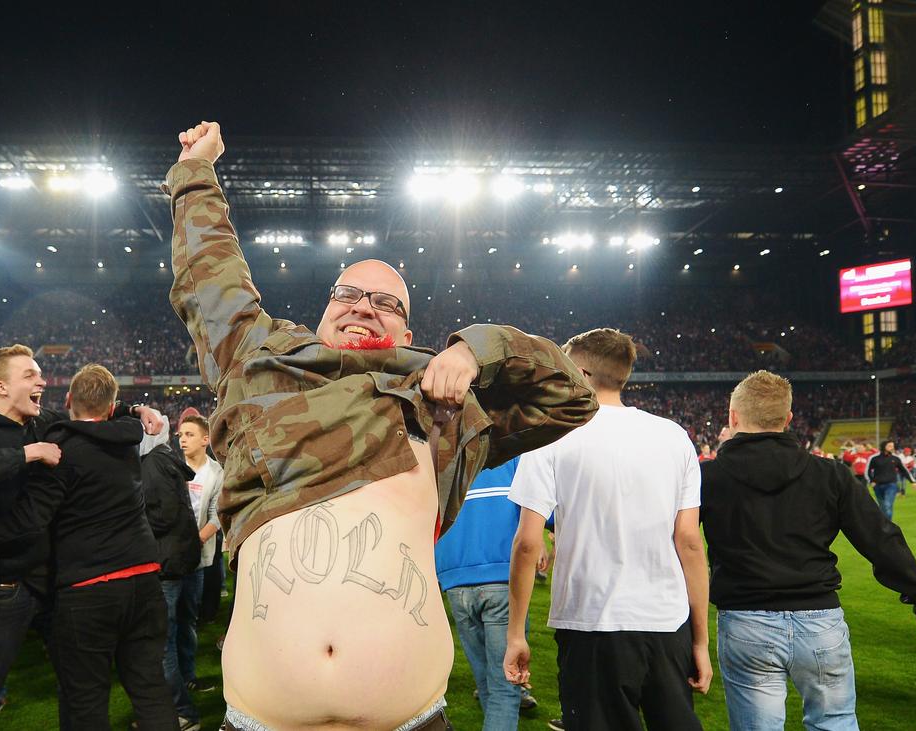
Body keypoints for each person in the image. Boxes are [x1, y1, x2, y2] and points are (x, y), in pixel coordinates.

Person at [167, 121, 596, 730]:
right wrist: (196, 171)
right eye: (349, 294)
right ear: (324, 311)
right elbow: (209, 277)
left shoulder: (447, 404)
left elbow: (573, 397)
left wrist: (479, 348)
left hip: (411, 720)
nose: (365, 307)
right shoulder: (259, 359)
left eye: (388, 303)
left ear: (408, 334)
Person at [0, 345, 160, 727]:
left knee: (75, 685)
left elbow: (88, 411)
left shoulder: (42, 420)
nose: (42, 381)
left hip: (53, 581)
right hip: (5, 586)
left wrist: (135, 410)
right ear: (1, 386)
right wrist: (27, 453)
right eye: (31, 375)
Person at [700, 371, 916, 729]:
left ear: (733, 417)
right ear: (787, 419)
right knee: (834, 723)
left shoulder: (708, 477)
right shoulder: (829, 474)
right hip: (819, 620)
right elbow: (880, 539)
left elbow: (681, 544)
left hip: (746, 621)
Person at [504, 328, 711, 731]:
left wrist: (515, 634)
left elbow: (528, 544)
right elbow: (689, 542)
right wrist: (699, 642)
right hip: (666, 623)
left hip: (592, 623)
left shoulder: (551, 434)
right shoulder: (674, 437)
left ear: (581, 373)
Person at [435, 459, 536, 731]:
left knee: (489, 685)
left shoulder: (447, 457)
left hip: (455, 579)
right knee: (503, 689)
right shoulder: (517, 459)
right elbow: (543, 513)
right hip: (501, 579)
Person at [141, 435, 203, 728]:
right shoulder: (163, 457)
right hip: (179, 557)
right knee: (176, 631)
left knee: (161, 643)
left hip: (166, 562)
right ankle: (184, 687)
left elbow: (163, 517)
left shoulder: (152, 464)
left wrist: (131, 520)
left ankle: (182, 713)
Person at [174, 415, 222, 696]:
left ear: (206, 440)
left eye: (189, 434)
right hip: (169, 557)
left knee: (188, 619)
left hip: (196, 557)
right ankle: (168, 682)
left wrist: (196, 540)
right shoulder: (171, 465)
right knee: (166, 621)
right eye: (181, 434)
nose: (183, 439)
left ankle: (187, 676)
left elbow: (217, 515)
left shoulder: (216, 472)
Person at [868, 440, 912, 520]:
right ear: (884, 446)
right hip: (877, 486)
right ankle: (885, 522)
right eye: (890, 446)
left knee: (887, 504)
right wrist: (872, 481)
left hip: (891, 485)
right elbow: (868, 471)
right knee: (882, 506)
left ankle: (888, 524)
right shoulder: (874, 459)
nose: (892, 448)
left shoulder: (896, 459)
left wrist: (912, 481)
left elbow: (904, 470)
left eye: (893, 446)